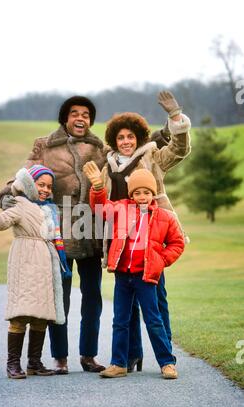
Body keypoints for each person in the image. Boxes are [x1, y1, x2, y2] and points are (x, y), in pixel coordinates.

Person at [0, 96, 107, 374]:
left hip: (91, 232)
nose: (80, 118)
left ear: (90, 120)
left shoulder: (99, 148)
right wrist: (8, 195)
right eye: (74, 113)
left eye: (85, 114)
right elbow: (23, 177)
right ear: (65, 118)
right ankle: (60, 357)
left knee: (93, 298)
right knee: (61, 298)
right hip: (57, 233)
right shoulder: (44, 145)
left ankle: (89, 356)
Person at [97, 91, 191, 372]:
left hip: (152, 239)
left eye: (131, 137)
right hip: (121, 243)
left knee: (156, 306)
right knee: (124, 313)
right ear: (115, 140)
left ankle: (167, 359)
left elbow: (179, 149)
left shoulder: (151, 157)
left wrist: (176, 118)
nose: (126, 142)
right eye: (121, 137)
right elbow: (100, 202)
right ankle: (128, 357)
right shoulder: (108, 166)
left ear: (138, 138)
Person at [0, 165, 71, 379]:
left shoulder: (50, 210)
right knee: (20, 315)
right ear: (30, 184)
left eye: (49, 186)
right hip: (25, 260)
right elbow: (1, 222)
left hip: (46, 264)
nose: (45, 189)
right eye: (41, 185)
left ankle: (34, 362)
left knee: (41, 315)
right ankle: (12, 364)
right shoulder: (20, 204)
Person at [83, 166, 185, 379]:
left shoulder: (165, 217)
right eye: (137, 193)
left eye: (146, 192)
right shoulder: (121, 208)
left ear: (153, 194)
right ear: (131, 195)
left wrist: (161, 260)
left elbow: (177, 243)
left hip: (146, 277)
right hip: (123, 276)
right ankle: (118, 363)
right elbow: (100, 207)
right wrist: (98, 186)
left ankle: (167, 363)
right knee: (120, 320)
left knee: (154, 320)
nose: (142, 197)